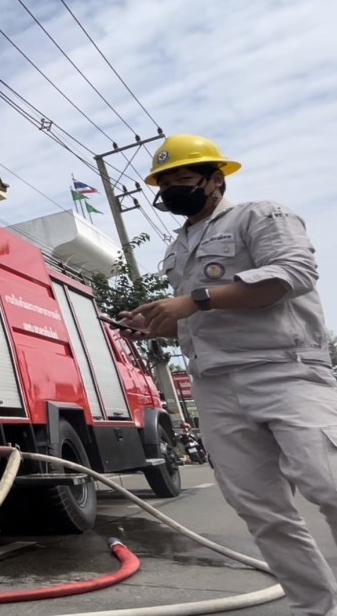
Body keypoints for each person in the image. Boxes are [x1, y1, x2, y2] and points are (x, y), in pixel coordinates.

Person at [118, 134, 337, 616]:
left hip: (285, 370)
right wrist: (159, 322)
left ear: (215, 179)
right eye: (164, 182)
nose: (173, 188)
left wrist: (193, 300)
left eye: (182, 177)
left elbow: (292, 274)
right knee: (261, 511)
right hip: (215, 384)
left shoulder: (259, 215)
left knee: (330, 484)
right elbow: (197, 318)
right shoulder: (177, 250)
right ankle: (313, 608)